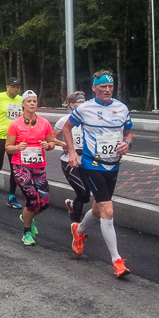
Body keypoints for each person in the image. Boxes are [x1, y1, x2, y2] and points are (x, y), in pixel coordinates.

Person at [62, 70, 132, 278]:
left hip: (113, 165)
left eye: (110, 86)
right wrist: (73, 152)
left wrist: (127, 143)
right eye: (103, 86)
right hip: (91, 165)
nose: (108, 90)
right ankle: (117, 261)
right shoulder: (85, 108)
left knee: (98, 208)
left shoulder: (121, 108)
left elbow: (128, 131)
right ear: (94, 88)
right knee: (108, 210)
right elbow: (67, 128)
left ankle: (79, 231)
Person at [5, 90, 58, 246]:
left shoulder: (44, 123)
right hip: (21, 166)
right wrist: (17, 148)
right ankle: (26, 232)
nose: (32, 104)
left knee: (45, 203)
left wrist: (47, 145)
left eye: (34, 101)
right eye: (29, 101)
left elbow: (52, 143)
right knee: (32, 200)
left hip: (39, 167)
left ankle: (27, 216)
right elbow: (8, 147)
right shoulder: (15, 124)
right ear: (23, 104)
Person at [0, 77, 23, 209]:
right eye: (13, 86)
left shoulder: (21, 99)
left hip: (14, 139)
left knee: (15, 168)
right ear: (7, 87)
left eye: (18, 87)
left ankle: (11, 197)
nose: (16, 89)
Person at [56, 92, 92, 223]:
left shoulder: (89, 120)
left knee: (86, 196)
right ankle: (76, 225)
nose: (84, 105)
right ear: (72, 105)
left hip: (87, 161)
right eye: (80, 102)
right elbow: (51, 138)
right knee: (82, 193)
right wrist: (61, 143)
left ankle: (72, 205)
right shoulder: (64, 120)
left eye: (85, 102)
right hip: (69, 160)